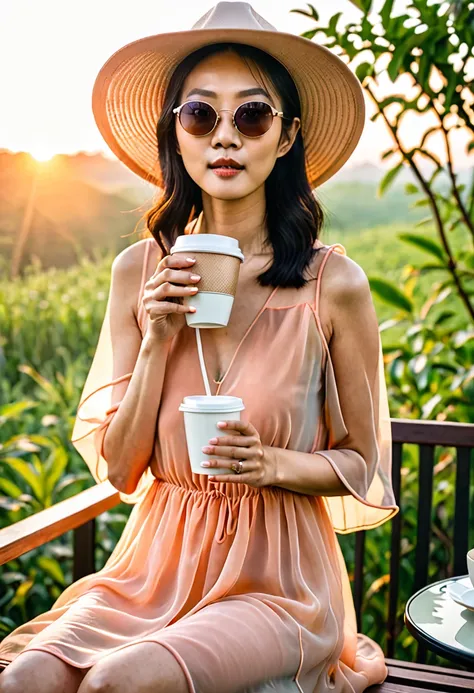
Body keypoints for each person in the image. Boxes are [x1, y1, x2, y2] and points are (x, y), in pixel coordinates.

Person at [0, 3, 399, 692]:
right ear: (175, 134)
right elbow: (123, 471)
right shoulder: (138, 271)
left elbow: (365, 465)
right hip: (155, 563)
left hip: (279, 579)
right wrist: (158, 341)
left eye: (251, 116)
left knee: (117, 682)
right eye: (199, 115)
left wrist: (269, 461)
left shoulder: (334, 284)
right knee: (27, 677)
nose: (225, 137)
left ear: (286, 137)